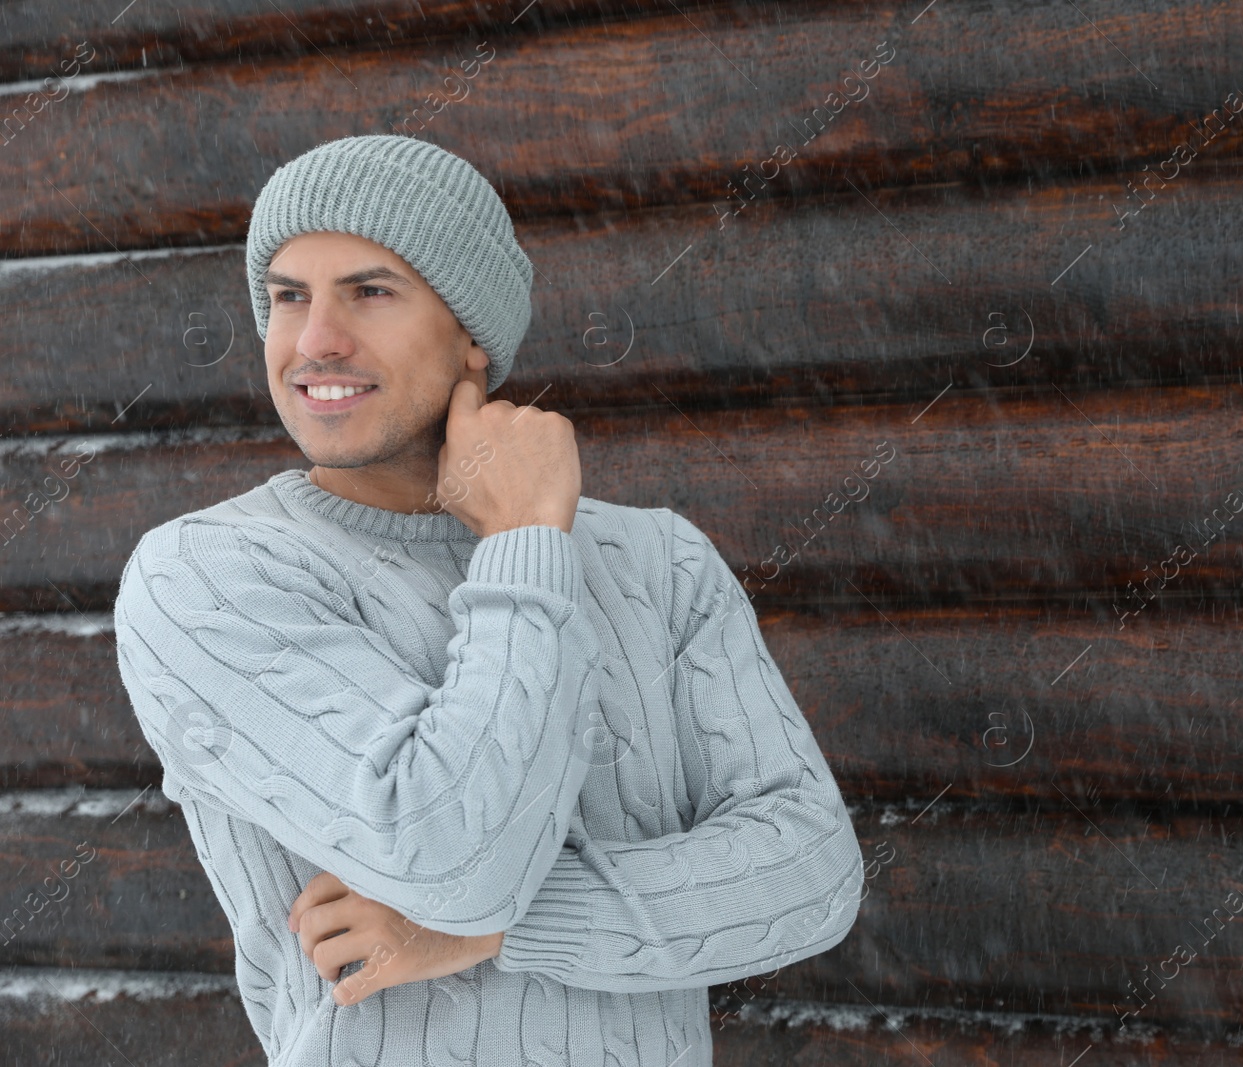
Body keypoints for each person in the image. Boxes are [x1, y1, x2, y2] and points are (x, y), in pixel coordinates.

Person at [112, 134, 863, 1067]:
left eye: (370, 290)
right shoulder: (210, 578)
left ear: (472, 330)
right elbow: (452, 859)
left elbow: (811, 875)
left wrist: (497, 933)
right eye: (287, 296)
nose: (315, 341)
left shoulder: (659, 560)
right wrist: (522, 548)